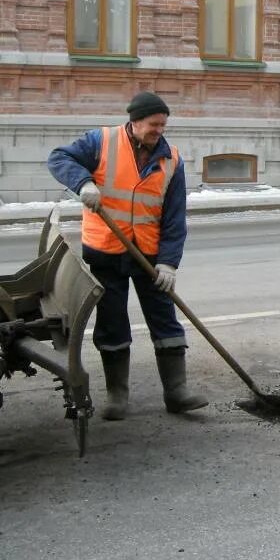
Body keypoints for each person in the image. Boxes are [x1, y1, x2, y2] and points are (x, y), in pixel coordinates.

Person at [47, 91, 207, 420]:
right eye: (153, 124)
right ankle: (117, 395)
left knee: (165, 319)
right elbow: (59, 158)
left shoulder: (171, 160)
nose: (159, 130)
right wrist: (84, 184)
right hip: (106, 252)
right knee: (112, 323)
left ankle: (176, 392)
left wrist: (168, 262)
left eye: (163, 124)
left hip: (149, 256)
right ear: (134, 122)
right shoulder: (101, 141)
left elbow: (175, 218)